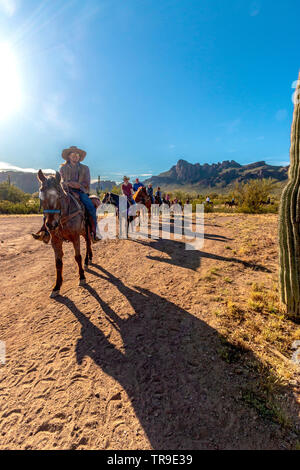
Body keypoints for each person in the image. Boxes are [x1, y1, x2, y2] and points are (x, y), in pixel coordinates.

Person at [32, 146, 101, 243]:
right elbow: (60, 181)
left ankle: (94, 232)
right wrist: (67, 184)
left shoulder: (85, 169)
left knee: (90, 207)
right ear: (68, 156)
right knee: (50, 204)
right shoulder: (63, 168)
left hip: (80, 192)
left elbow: (87, 184)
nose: (75, 157)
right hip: (65, 191)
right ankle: (44, 231)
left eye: (77, 155)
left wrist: (78, 186)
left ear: (79, 157)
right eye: (73, 155)